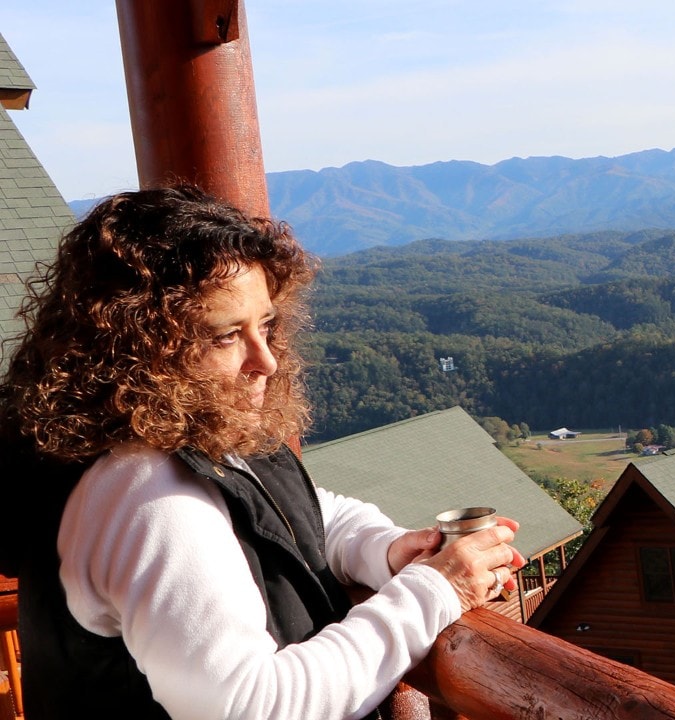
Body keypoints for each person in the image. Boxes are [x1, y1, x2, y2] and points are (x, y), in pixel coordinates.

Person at [0, 185, 525, 719]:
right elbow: (251, 706)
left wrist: (388, 551)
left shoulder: (179, 435)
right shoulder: (151, 495)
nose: (266, 360)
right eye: (227, 336)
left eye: (267, 325)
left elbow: (298, 512)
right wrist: (433, 592)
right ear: (133, 346)